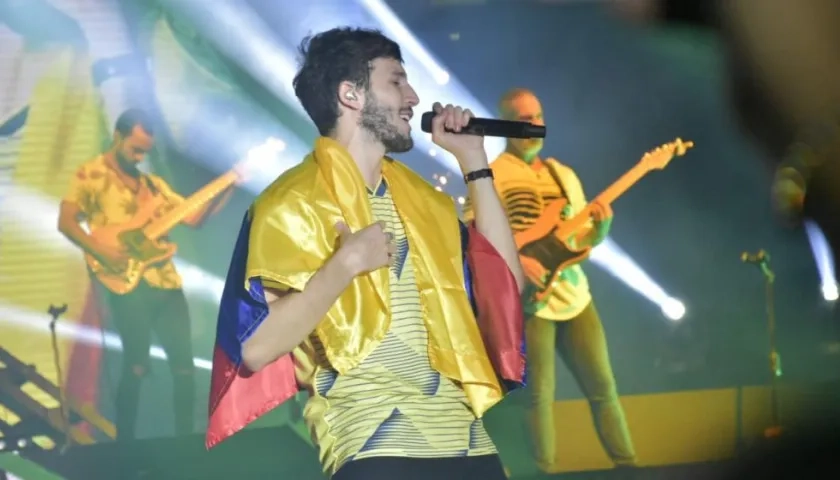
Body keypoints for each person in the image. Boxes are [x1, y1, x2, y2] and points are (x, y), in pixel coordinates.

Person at [205, 27, 527, 480]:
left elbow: (507, 289)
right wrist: (345, 265)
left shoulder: (423, 201)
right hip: (374, 446)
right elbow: (255, 349)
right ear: (350, 94)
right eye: (396, 80)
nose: (413, 96)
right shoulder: (292, 201)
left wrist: (475, 163)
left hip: (467, 444)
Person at [463, 88, 637, 472]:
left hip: (573, 294)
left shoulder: (563, 175)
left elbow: (579, 241)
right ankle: (543, 471)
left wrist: (600, 231)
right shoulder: (490, 173)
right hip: (527, 300)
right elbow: (476, 237)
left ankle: (630, 467)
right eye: (524, 118)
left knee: (604, 389)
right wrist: (516, 265)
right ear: (505, 124)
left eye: (538, 115)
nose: (534, 124)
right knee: (539, 397)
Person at [57, 108, 238, 440]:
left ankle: (188, 444)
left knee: (185, 368)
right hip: (128, 284)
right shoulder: (91, 174)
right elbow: (66, 221)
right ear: (118, 136)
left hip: (166, 283)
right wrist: (101, 250)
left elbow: (193, 218)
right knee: (136, 366)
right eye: (135, 149)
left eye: (145, 151)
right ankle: (126, 445)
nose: (140, 157)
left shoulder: (153, 185)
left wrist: (229, 185)